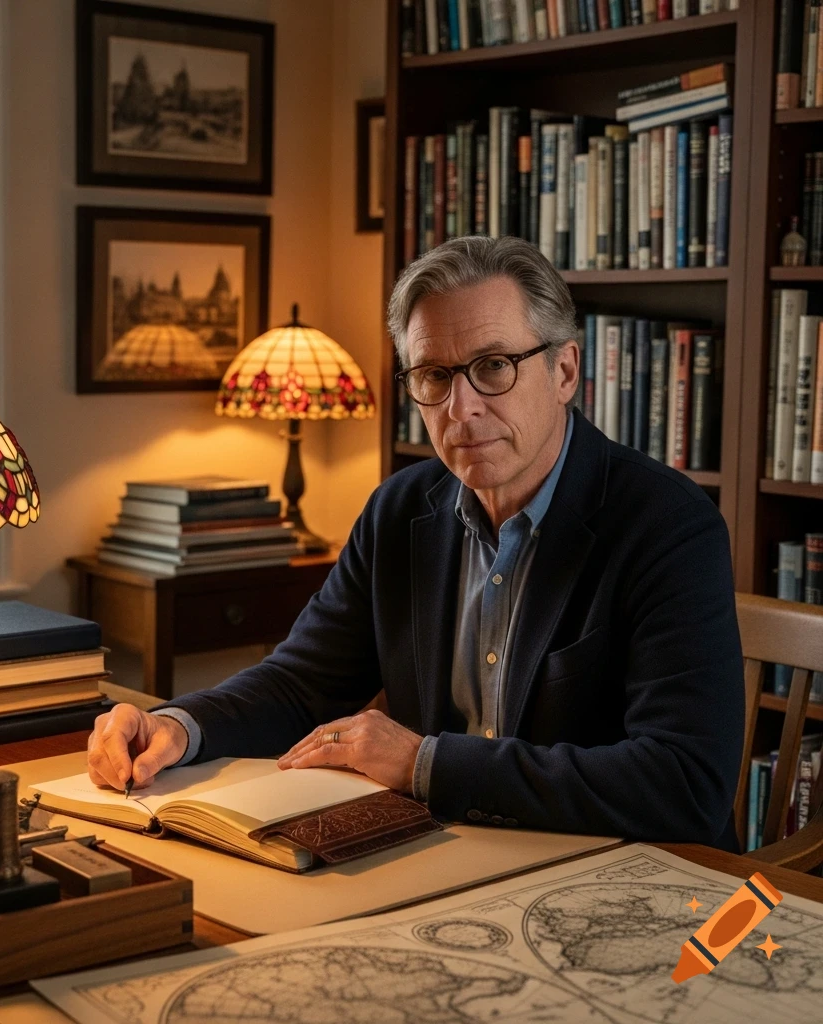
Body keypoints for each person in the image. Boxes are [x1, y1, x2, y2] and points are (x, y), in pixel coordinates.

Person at [86, 235, 745, 851]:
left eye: (493, 366)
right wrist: (179, 726)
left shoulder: (667, 526)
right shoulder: (399, 510)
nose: (462, 408)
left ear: (566, 370)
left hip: (624, 880)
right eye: (433, 376)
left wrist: (422, 763)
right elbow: (302, 683)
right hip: (445, 857)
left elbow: (684, 782)